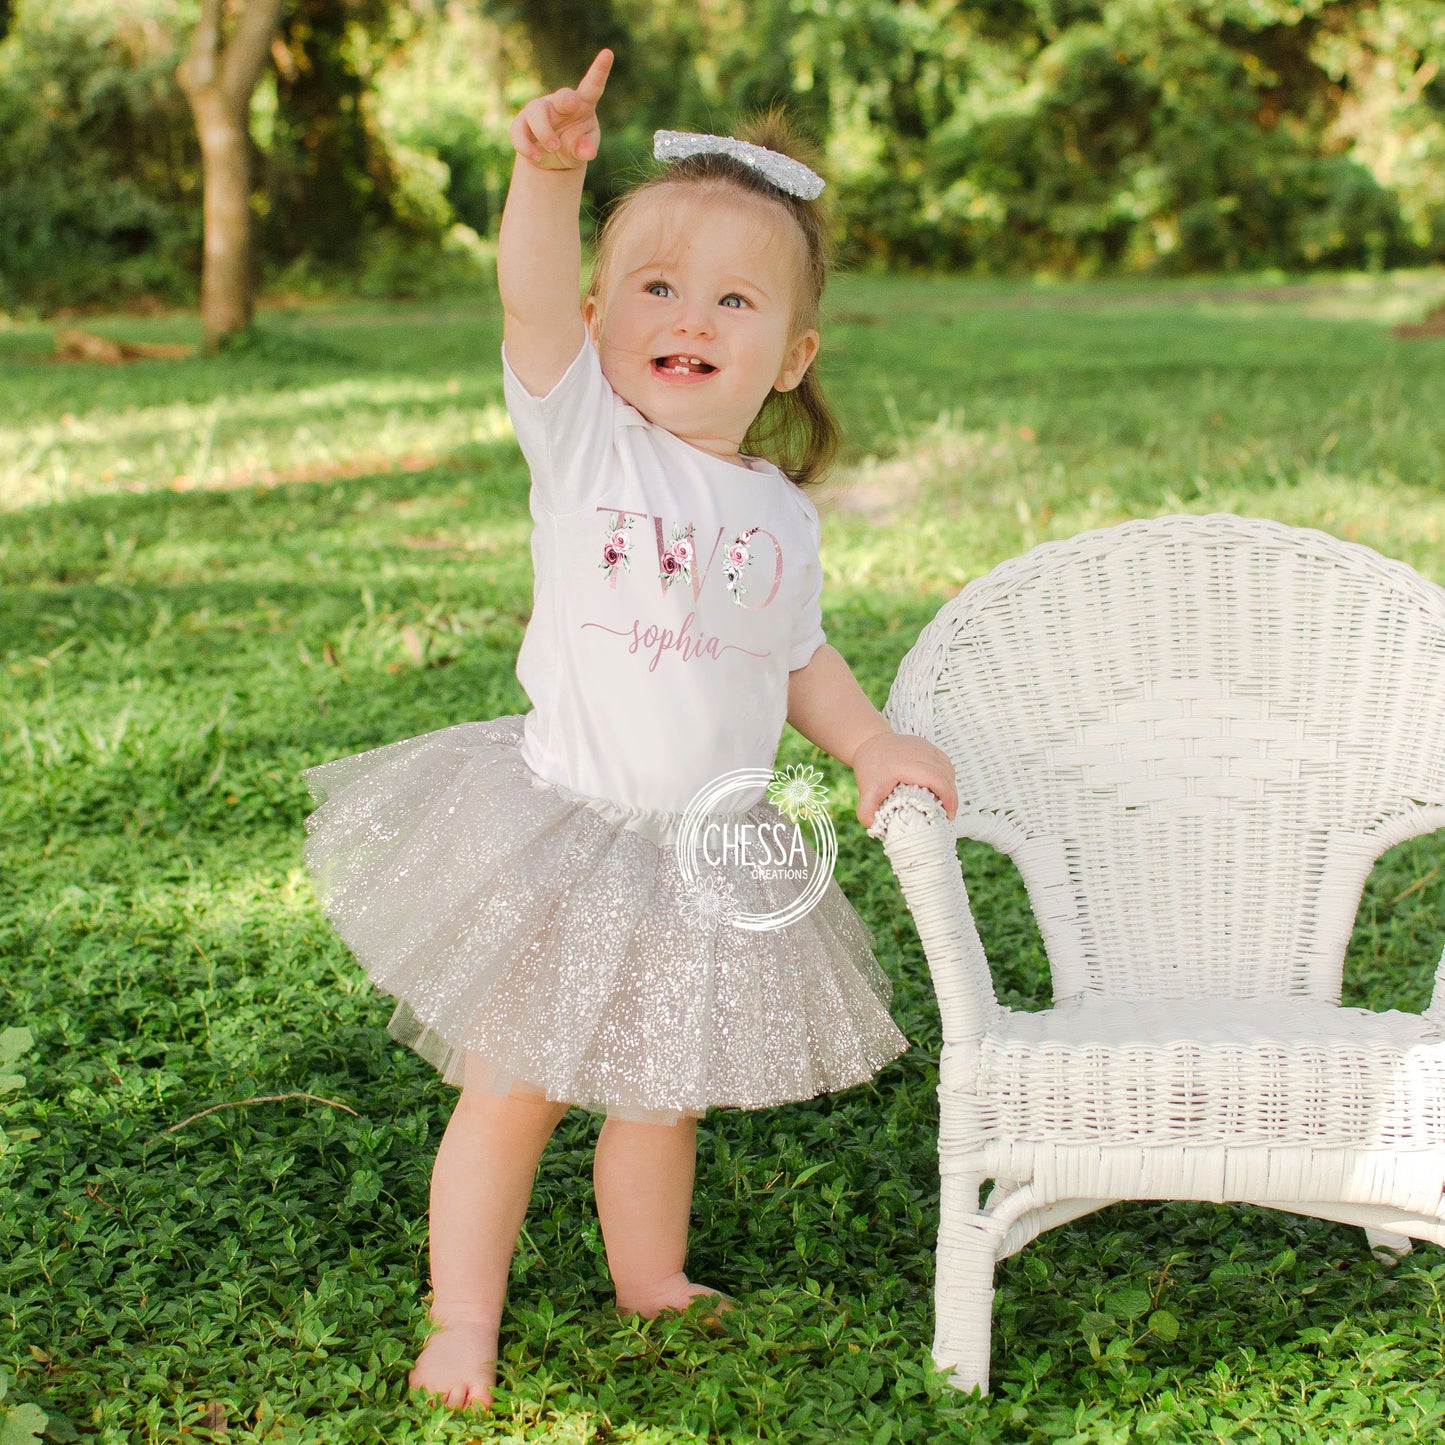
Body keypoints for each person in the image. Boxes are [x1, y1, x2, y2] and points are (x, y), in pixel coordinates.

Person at [298, 45, 958, 1414]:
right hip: (564, 829)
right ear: (599, 315)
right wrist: (548, 177)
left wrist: (868, 743)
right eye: (655, 286)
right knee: (517, 1088)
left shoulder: (780, 512)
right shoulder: (586, 437)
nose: (692, 316)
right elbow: (525, 295)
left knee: (662, 1096)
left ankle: (646, 1274)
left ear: (792, 355)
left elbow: (795, 658)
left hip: (703, 852)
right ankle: (463, 1315)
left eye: (734, 298)